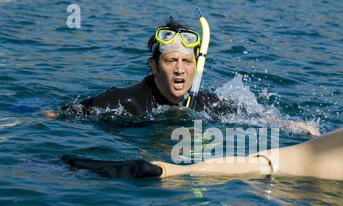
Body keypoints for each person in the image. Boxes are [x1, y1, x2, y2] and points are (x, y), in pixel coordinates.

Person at [44, 17, 319, 136]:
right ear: (153, 65)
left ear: (196, 66)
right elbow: (66, 114)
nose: (180, 69)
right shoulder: (124, 101)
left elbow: (253, 119)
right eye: (171, 61)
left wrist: (292, 125)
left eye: (187, 61)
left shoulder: (205, 104)